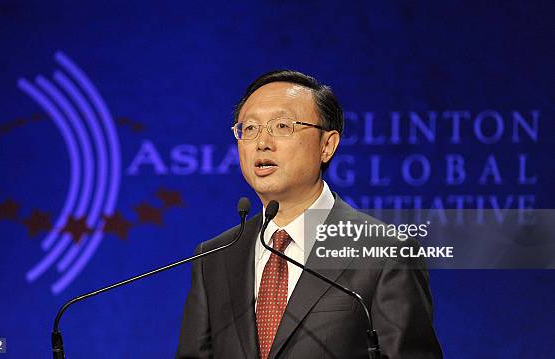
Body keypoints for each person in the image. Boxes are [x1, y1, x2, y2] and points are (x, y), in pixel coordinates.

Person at [176, 70, 442, 358]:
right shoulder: (214, 258)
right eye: (249, 128)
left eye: (282, 126)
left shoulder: (385, 252)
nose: (262, 142)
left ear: (327, 145)